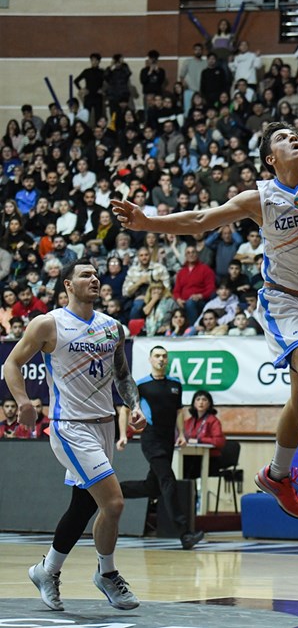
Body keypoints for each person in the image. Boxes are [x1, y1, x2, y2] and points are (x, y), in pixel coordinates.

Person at [112, 122, 298, 520]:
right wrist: (147, 222)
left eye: (297, 136)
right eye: (283, 139)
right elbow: (201, 218)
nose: (295, 139)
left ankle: (276, 474)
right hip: (283, 299)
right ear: (270, 159)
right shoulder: (260, 198)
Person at [3, 260, 148, 611]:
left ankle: (46, 569)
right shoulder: (48, 324)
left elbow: (123, 376)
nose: (95, 278)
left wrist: (136, 405)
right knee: (113, 503)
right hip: (71, 426)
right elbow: (10, 364)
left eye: (97, 274)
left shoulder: (112, 327)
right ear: (68, 284)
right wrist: (23, 401)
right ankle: (107, 573)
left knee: (83, 504)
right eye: (86, 274)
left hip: (104, 425)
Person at [119, 346, 205, 550]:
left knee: (153, 487)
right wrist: (123, 435)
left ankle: (113, 491)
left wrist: (182, 435)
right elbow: (124, 410)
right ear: (150, 359)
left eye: (164, 356)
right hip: (151, 438)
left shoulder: (175, 384)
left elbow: (178, 412)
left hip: (168, 440)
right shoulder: (141, 385)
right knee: (168, 481)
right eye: (157, 356)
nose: (161, 359)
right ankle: (185, 534)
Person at [182, 390, 227, 477]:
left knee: (190, 466)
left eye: (204, 400)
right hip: (189, 455)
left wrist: (200, 440)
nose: (201, 402)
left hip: (210, 457)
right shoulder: (189, 421)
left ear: (209, 404)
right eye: (198, 399)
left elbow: (219, 441)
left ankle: (190, 489)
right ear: (194, 403)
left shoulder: (213, 421)